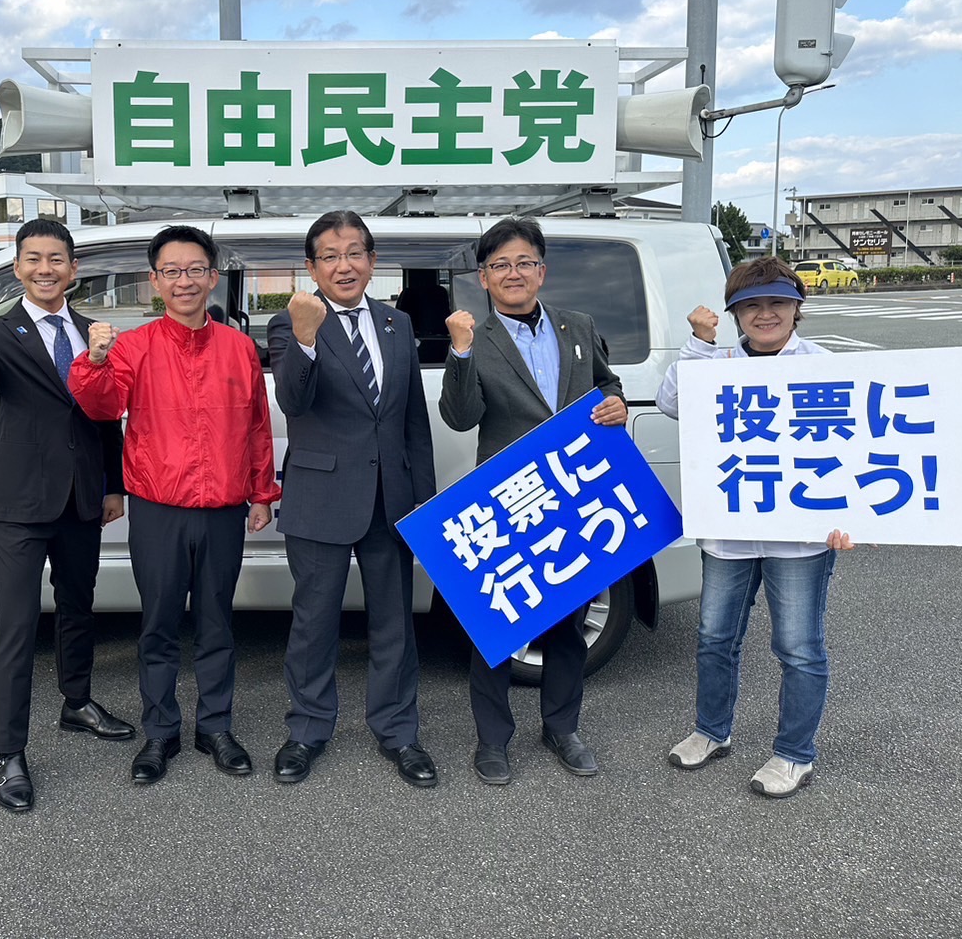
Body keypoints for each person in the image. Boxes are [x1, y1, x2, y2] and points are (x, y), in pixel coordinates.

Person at [69, 225, 280, 786]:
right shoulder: (134, 346)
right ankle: (160, 731)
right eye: (171, 271)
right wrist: (94, 360)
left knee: (217, 623)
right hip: (158, 507)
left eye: (194, 270)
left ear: (212, 277)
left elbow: (257, 426)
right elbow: (100, 406)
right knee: (159, 625)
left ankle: (216, 727)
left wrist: (262, 492)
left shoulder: (238, 347)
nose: (184, 281)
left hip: (224, 508)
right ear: (155, 280)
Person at [0, 220, 130, 813]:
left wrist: (114, 485)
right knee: (16, 625)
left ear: (74, 269)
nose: (45, 269)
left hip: (82, 497)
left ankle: (78, 702)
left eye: (56, 259)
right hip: (18, 501)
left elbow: (106, 415)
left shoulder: (93, 331)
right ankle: (9, 751)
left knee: (78, 606)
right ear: (18, 268)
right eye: (33, 259)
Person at [655, 255, 853, 799]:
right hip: (728, 535)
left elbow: (855, 448)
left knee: (799, 647)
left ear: (797, 307)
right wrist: (697, 344)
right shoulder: (714, 361)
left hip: (801, 539)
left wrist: (851, 517)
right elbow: (672, 404)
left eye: (777, 302)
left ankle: (795, 754)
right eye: (751, 305)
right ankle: (711, 730)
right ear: (735, 314)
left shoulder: (824, 366)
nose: (765, 314)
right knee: (714, 638)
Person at [439, 218, 627, 786]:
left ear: (541, 271)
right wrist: (460, 352)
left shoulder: (578, 325)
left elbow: (607, 383)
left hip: (570, 493)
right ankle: (492, 740)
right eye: (500, 265)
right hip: (508, 497)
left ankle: (562, 728)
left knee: (568, 620)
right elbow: (461, 417)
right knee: (495, 625)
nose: (513, 273)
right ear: (483, 278)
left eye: (524, 262)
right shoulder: (476, 338)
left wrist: (616, 403)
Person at [266, 211, 438, 788]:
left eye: (355, 253)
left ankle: (399, 732)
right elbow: (293, 401)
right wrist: (306, 337)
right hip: (321, 496)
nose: (344, 266)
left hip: (392, 498)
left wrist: (424, 504)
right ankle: (307, 730)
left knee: (394, 624)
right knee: (314, 624)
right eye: (330, 256)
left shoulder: (396, 322)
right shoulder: (290, 321)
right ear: (311, 267)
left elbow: (412, 421)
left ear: (372, 260)